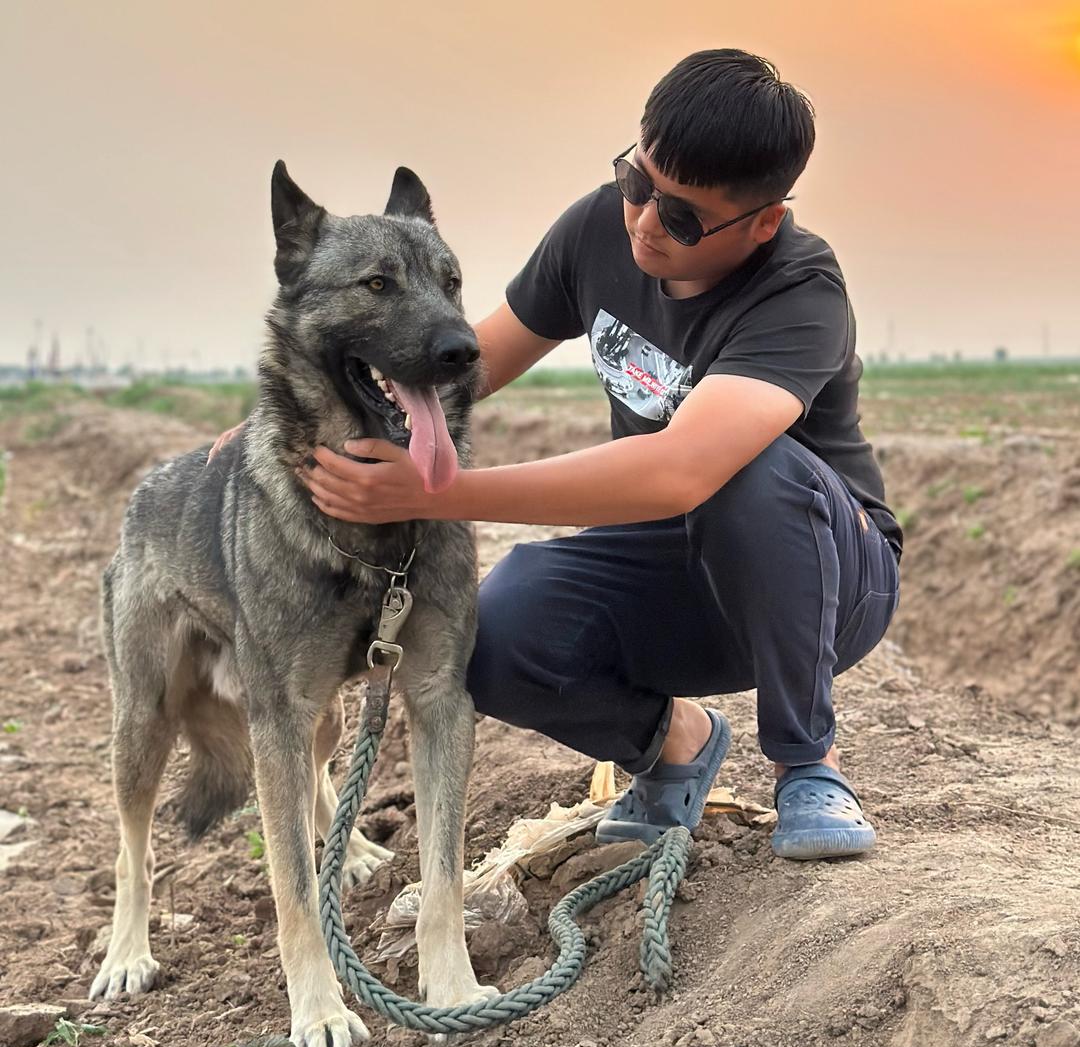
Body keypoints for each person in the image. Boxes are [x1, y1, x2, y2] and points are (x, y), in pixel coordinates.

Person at [211, 49, 901, 860]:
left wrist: (433, 492)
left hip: (825, 580)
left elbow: (682, 469)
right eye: (636, 182)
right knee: (492, 632)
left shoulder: (799, 287)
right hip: (673, 559)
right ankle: (672, 743)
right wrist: (292, 422)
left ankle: (807, 763)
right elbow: (475, 363)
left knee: (753, 471)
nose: (644, 221)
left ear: (761, 223)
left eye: (681, 218)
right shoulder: (597, 229)